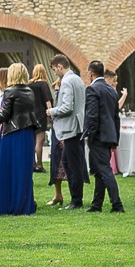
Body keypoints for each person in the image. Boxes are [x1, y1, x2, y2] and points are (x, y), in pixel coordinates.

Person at [0, 61, 40, 215]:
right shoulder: (29, 91)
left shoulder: (9, 91)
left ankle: (9, 204)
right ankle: (25, 204)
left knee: (8, 169)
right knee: (23, 170)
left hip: (12, 134)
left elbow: (6, 115)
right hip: (26, 134)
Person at [82, 59, 124, 214]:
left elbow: (92, 115)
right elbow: (116, 117)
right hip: (109, 135)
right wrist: (116, 139)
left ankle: (117, 204)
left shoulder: (92, 89)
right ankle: (97, 203)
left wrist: (89, 134)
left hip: (98, 135)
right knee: (100, 170)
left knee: (104, 169)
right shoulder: (111, 90)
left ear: (90, 73)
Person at [48, 55, 86, 209]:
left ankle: (76, 200)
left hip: (71, 128)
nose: (55, 73)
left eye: (55, 69)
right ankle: (75, 198)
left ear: (59, 66)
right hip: (77, 126)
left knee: (72, 165)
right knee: (69, 162)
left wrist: (51, 111)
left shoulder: (67, 81)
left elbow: (67, 107)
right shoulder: (78, 79)